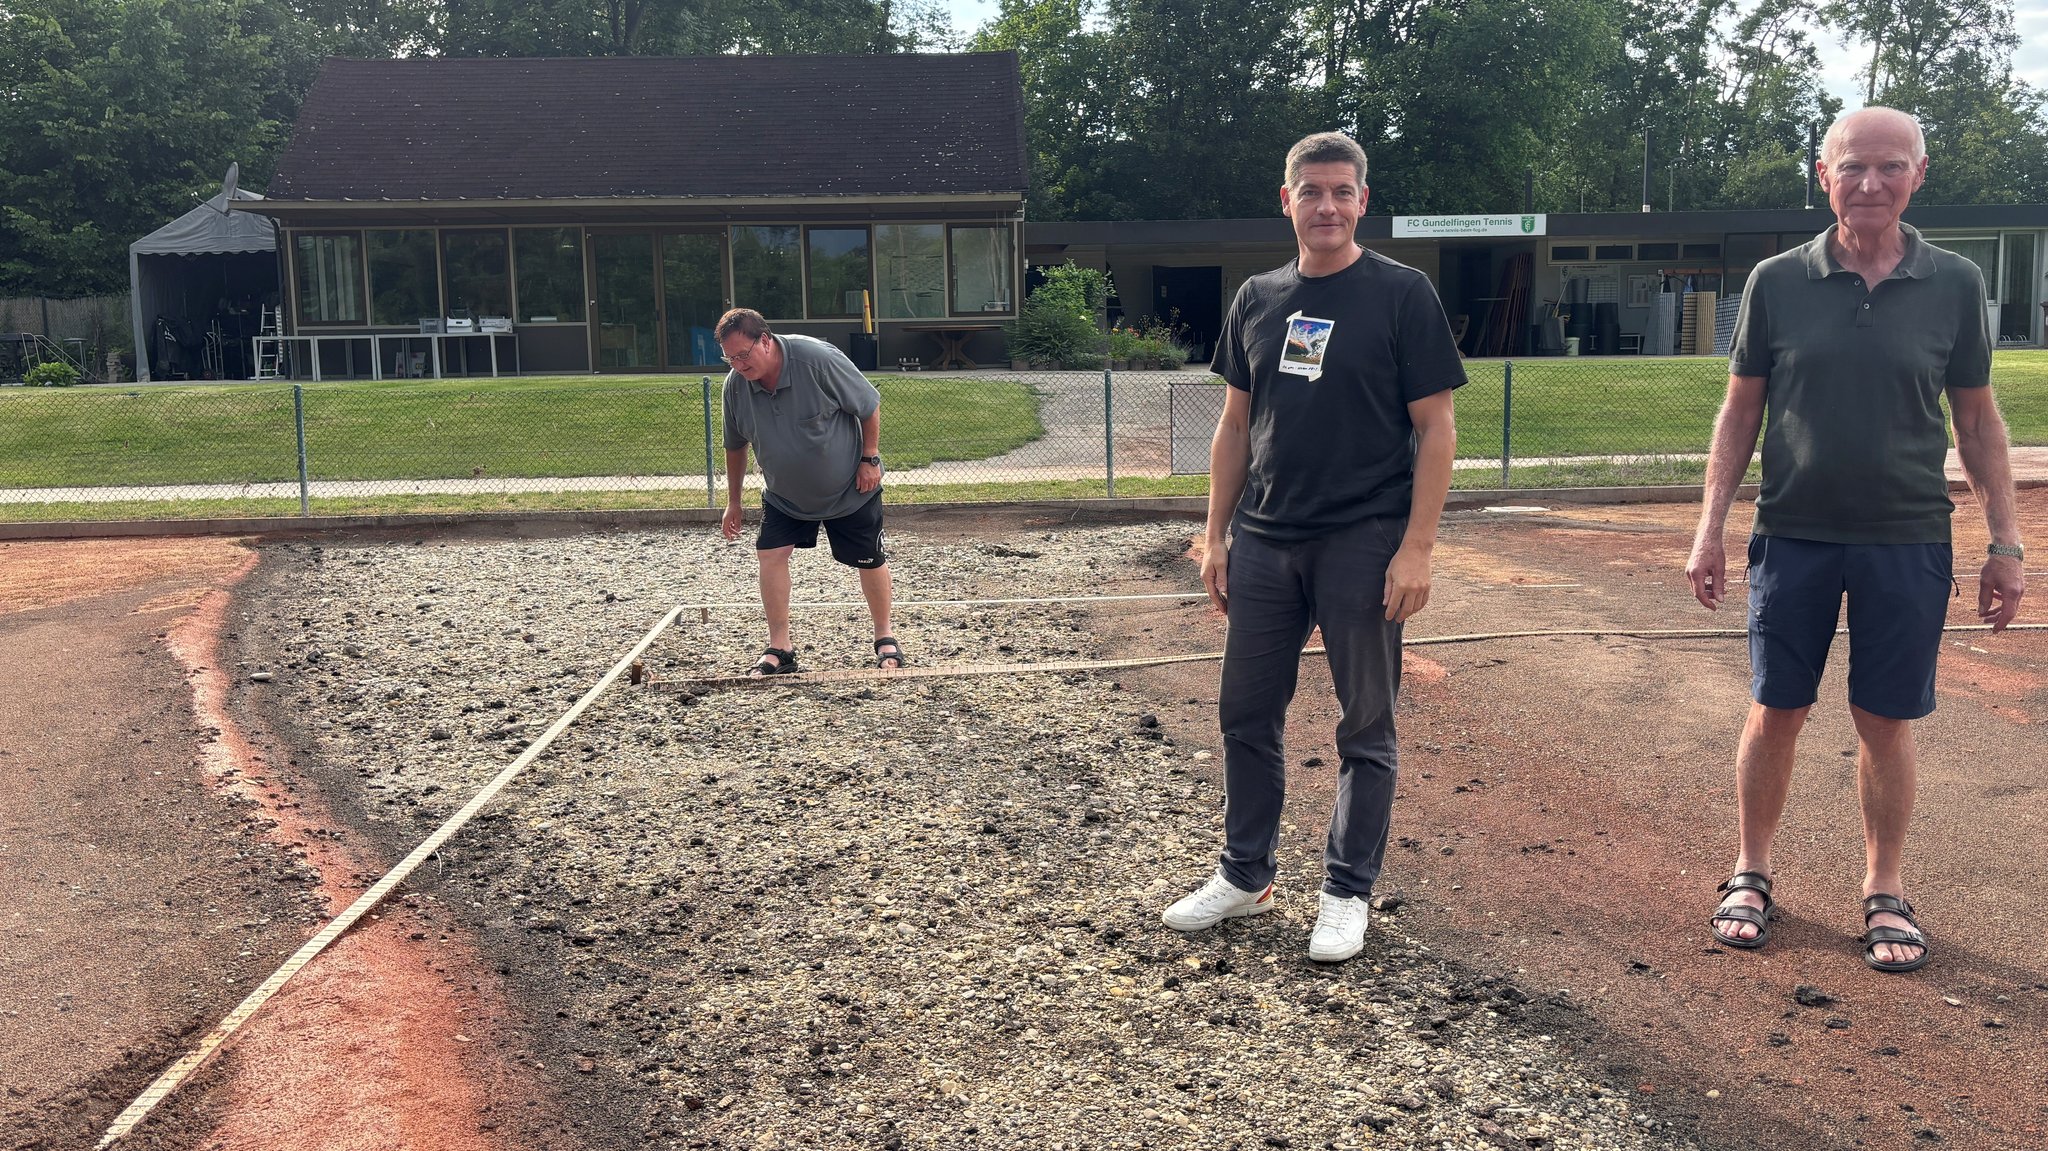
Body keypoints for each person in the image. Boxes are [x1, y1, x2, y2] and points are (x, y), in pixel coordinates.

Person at [1686, 107, 2024, 973]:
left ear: (1919, 174)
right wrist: (1710, 526)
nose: (1871, 184)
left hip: (1906, 538)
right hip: (1793, 533)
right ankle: (1751, 872)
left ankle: (1884, 888)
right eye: (1853, 168)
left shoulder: (1955, 284)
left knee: (1885, 721)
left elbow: (1979, 422)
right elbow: (1740, 411)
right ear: (1822, 174)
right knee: (1777, 709)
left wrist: (2007, 541)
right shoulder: (1776, 280)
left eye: (1890, 167)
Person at [1161, 132, 1464, 963]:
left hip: (1364, 541)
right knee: (1245, 711)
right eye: (1310, 191)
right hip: (1263, 539)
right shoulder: (1257, 298)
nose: (1325, 205)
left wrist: (1417, 548)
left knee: (1365, 723)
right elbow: (1233, 425)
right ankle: (1245, 874)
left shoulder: (1404, 295)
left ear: (1364, 201)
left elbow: (1436, 429)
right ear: (1285, 199)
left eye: (1341, 191)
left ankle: (1345, 891)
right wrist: (1215, 534)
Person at [718, 308, 904, 675]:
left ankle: (884, 637)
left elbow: (868, 405)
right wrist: (734, 501)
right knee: (770, 555)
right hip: (785, 495)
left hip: (850, 489)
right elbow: (734, 445)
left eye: (743, 354)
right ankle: (780, 647)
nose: (738, 364)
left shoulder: (817, 360)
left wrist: (870, 458)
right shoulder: (735, 387)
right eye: (730, 358)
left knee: (869, 558)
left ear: (766, 341)